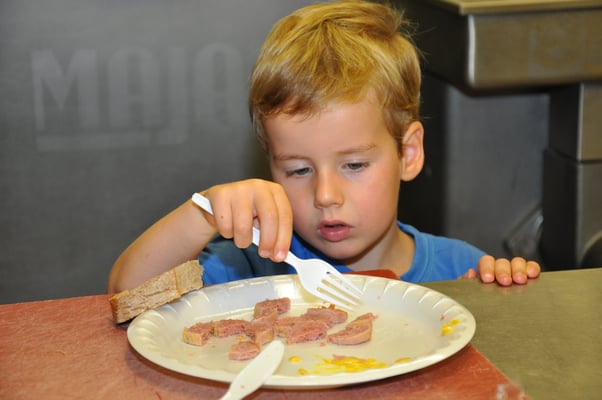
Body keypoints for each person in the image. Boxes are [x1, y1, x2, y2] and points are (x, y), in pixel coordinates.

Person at [107, 0, 540, 294]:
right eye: (298, 170)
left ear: (407, 154)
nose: (325, 196)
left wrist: (506, 295)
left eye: (354, 165)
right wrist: (203, 213)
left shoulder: (460, 271)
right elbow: (126, 294)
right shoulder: (251, 265)